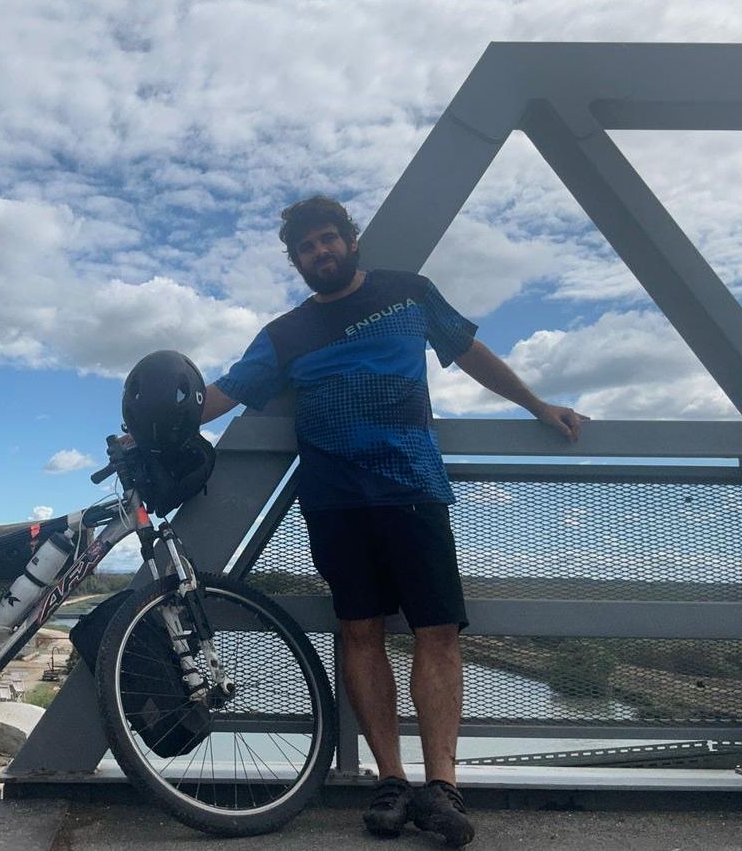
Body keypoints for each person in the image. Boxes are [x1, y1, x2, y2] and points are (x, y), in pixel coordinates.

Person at [199, 195, 586, 846]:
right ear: (297, 262)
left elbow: (469, 351)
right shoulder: (285, 333)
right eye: (306, 248)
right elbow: (227, 391)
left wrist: (536, 404)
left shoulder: (409, 294)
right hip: (335, 502)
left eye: (328, 239)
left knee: (438, 633)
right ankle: (391, 781)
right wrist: (153, 424)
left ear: (350, 240)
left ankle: (443, 787)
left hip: (412, 489)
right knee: (359, 632)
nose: (320, 252)